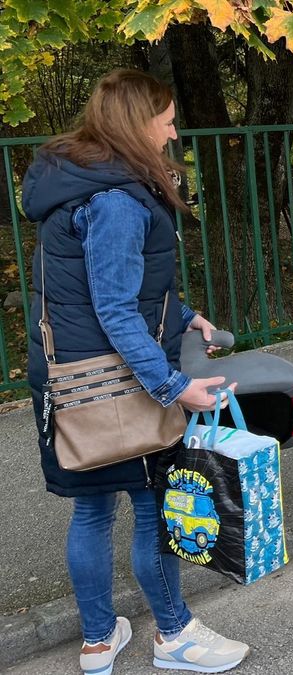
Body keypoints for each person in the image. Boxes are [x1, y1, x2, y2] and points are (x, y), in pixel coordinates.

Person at [22, 69, 250, 674]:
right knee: (153, 506)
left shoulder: (76, 180)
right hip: (121, 383)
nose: (174, 132)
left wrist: (189, 315)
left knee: (92, 509)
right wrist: (175, 387)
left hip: (69, 382)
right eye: (168, 120)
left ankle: (99, 641)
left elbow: (106, 288)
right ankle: (174, 637)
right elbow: (117, 309)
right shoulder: (117, 199)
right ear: (136, 122)